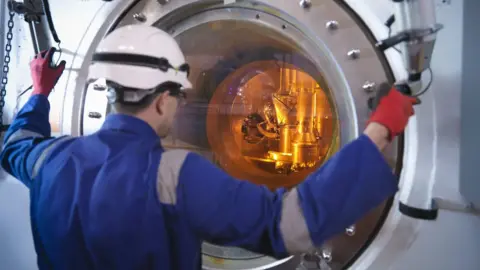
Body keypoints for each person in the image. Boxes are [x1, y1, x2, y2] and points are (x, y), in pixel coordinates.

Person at [0, 25, 416, 270]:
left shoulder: (50, 160)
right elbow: (289, 226)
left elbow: (14, 145)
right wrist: (379, 130)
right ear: (163, 99)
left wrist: (39, 93)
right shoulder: (173, 174)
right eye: (179, 97)